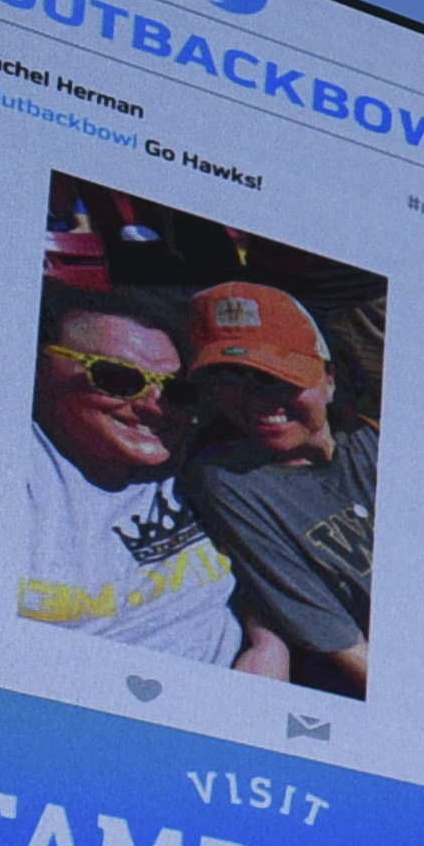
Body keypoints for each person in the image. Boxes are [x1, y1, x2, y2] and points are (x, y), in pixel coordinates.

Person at [162, 280, 375, 694]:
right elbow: (342, 643)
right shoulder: (231, 481)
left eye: (279, 378)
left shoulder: (371, 437)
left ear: (328, 378)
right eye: (229, 378)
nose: (257, 401)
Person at [20, 290, 237, 656]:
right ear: (42, 369)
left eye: (177, 391)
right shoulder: (15, 472)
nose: (156, 406)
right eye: (117, 378)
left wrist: (268, 644)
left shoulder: (199, 458)